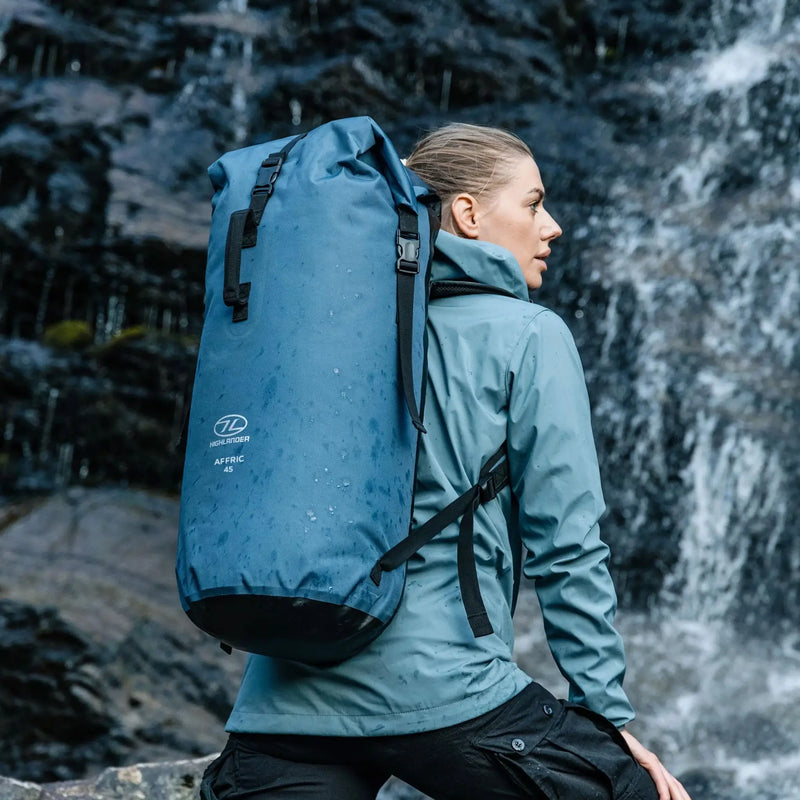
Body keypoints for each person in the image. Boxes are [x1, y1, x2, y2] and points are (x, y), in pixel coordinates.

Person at [200, 123, 691, 800]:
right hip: (444, 688)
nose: (551, 226)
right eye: (532, 203)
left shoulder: (324, 328)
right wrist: (607, 723)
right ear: (467, 213)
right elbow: (567, 549)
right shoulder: (528, 335)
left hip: (279, 703)